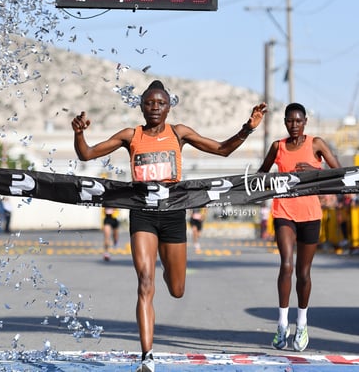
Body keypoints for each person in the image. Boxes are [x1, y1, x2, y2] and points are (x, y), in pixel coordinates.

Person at [72, 80, 266, 372]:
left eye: (160, 103)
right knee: (144, 283)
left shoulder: (179, 133)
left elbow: (223, 150)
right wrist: (79, 135)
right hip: (143, 214)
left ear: (168, 107)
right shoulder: (131, 135)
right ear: (141, 106)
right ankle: (146, 358)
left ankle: (164, 262)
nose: (155, 108)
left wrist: (248, 128)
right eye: (149, 103)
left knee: (176, 289)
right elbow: (86, 154)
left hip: (174, 214)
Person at [258, 102, 341, 352]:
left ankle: (302, 323)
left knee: (303, 273)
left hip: (310, 214)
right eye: (289, 121)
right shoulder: (278, 146)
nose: (293, 125)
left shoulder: (316, 144)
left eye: (298, 121)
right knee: (286, 265)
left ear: (305, 122)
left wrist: (315, 171)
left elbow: (339, 172)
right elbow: (262, 174)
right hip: (283, 211)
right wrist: (268, 180)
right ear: (284, 122)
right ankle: (282, 324)